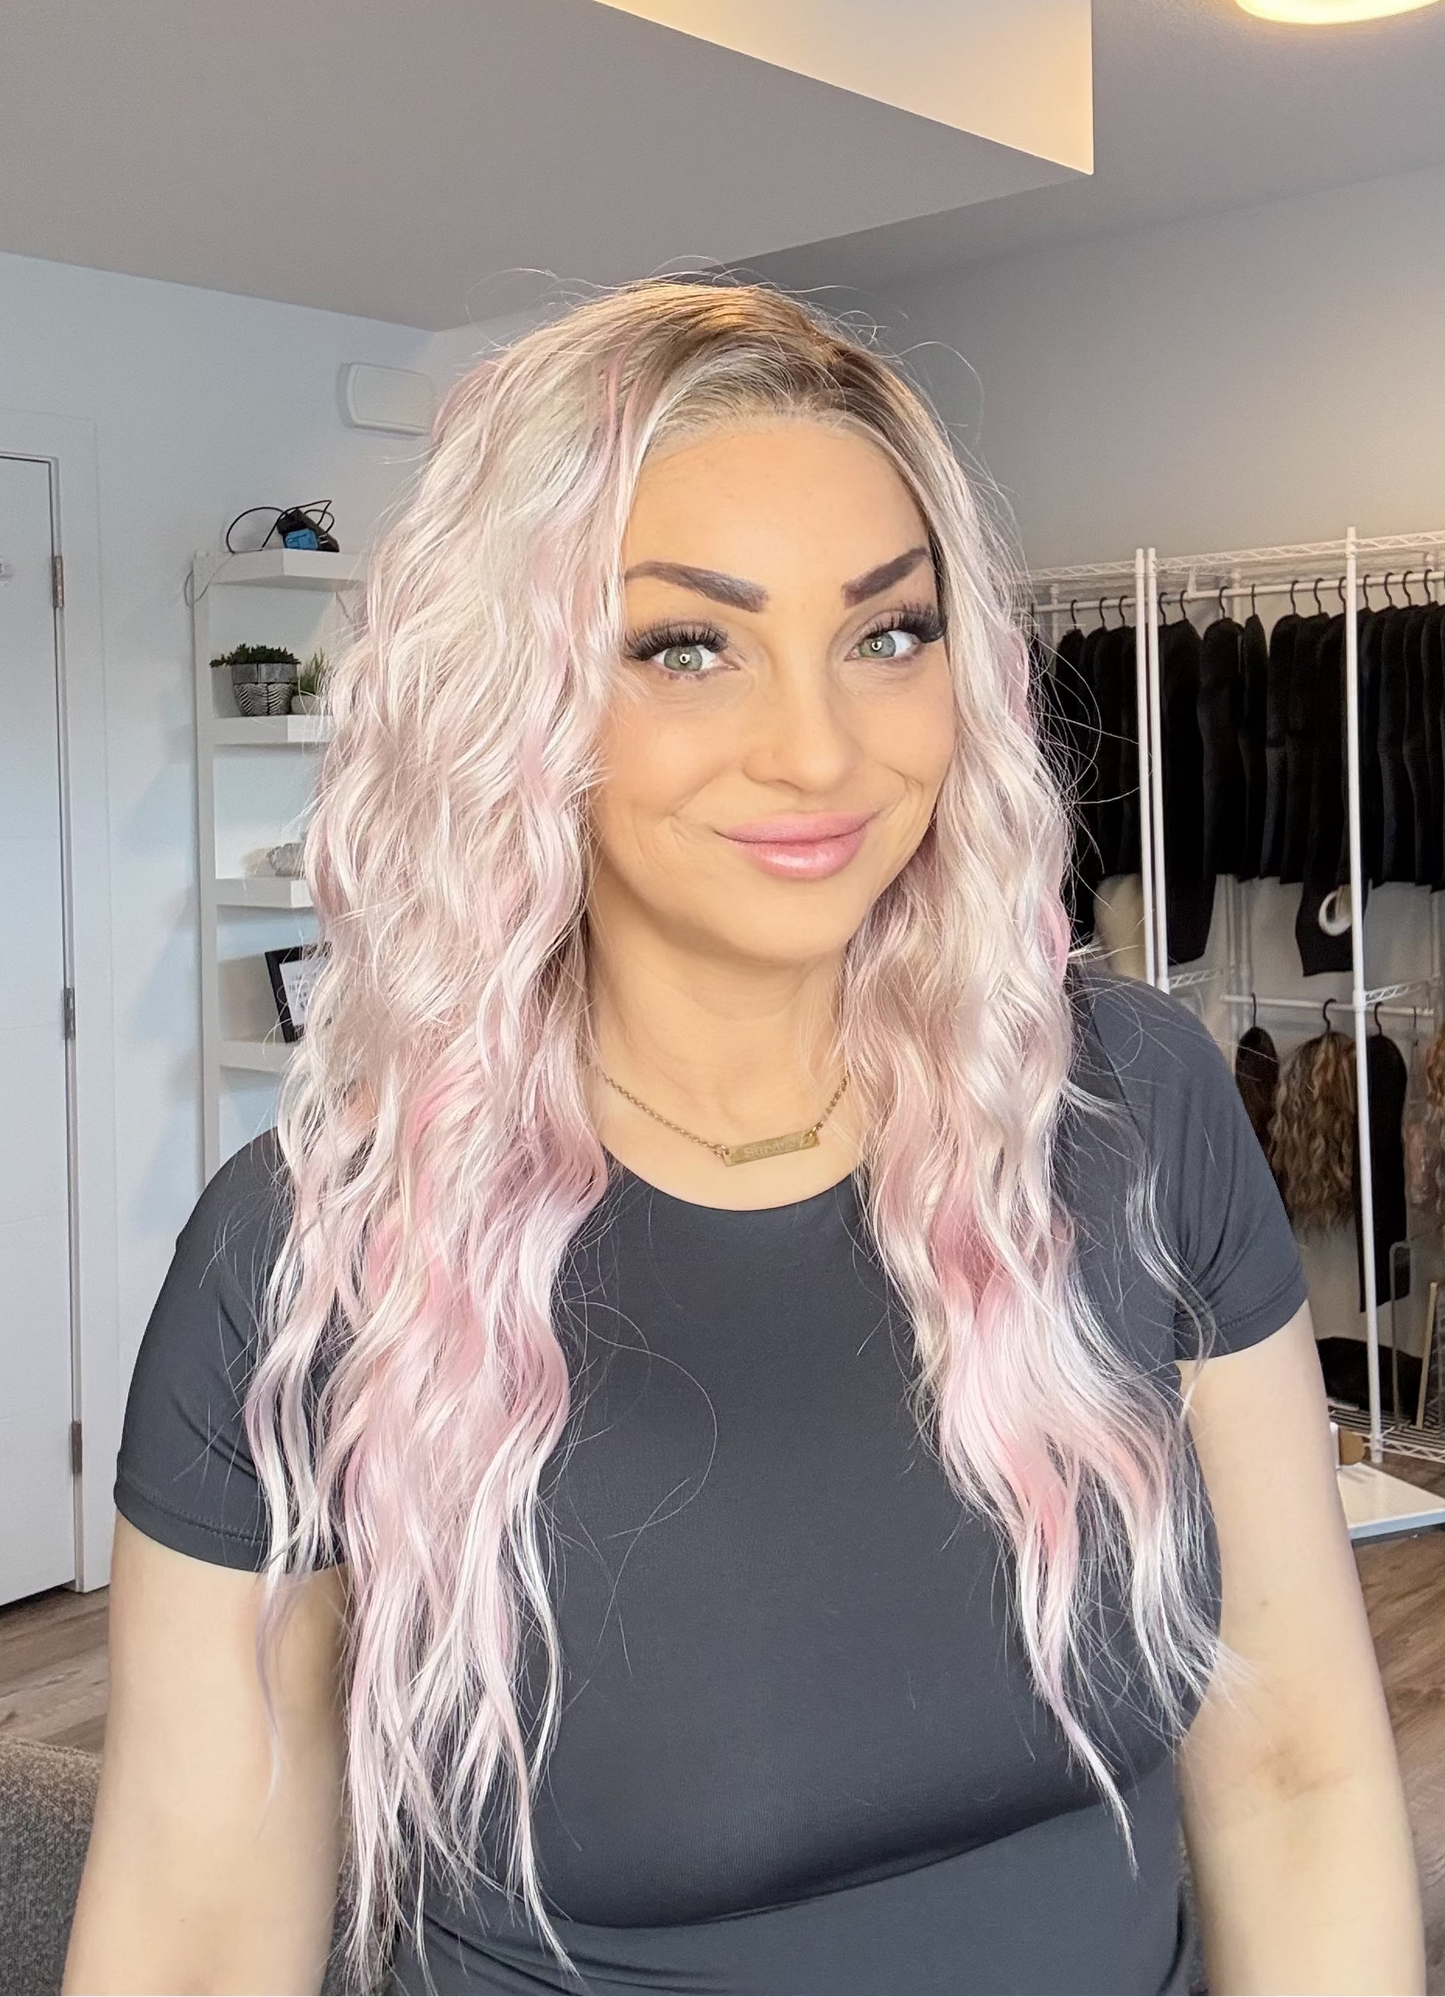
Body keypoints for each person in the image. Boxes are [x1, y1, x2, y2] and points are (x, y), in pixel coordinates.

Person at [65, 280, 1424, 1997]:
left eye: (887, 632)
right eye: (686, 645)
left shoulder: (1132, 1109)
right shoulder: (313, 1259)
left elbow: (1300, 1776)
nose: (819, 747)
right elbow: (191, 1940)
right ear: (520, 702)